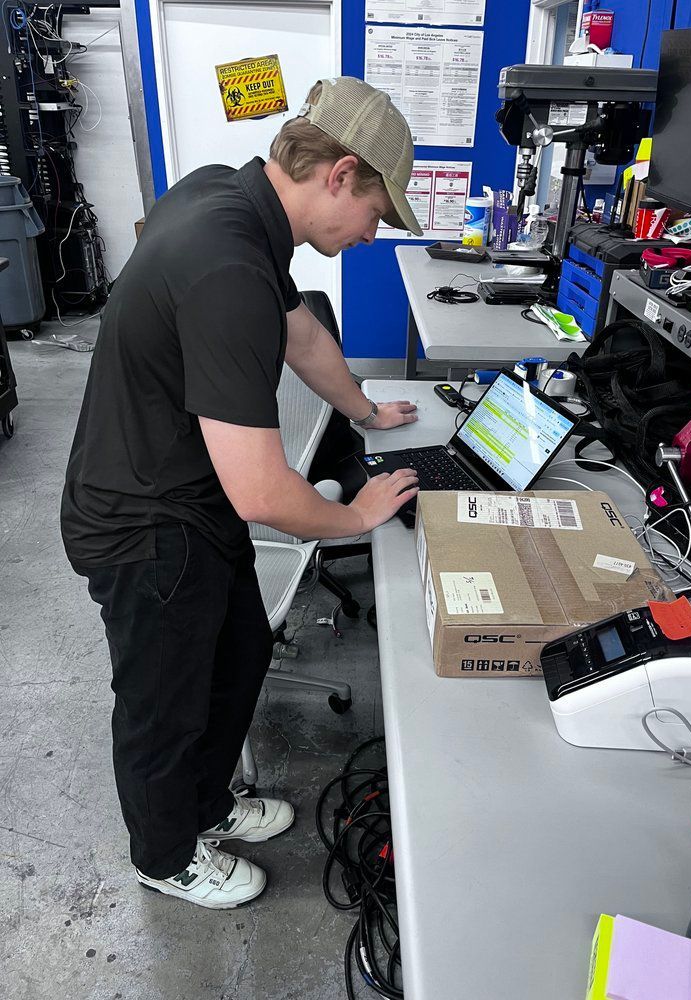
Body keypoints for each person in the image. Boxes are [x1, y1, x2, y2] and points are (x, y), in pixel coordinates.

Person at [60, 77, 422, 910]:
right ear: (338, 174)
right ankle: (164, 852)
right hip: (143, 521)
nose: (372, 235)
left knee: (240, 654)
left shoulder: (232, 196)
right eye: (376, 212)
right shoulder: (225, 263)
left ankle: (207, 805)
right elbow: (263, 491)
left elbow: (299, 329)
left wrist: (363, 410)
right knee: (165, 698)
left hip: (187, 494)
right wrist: (356, 516)